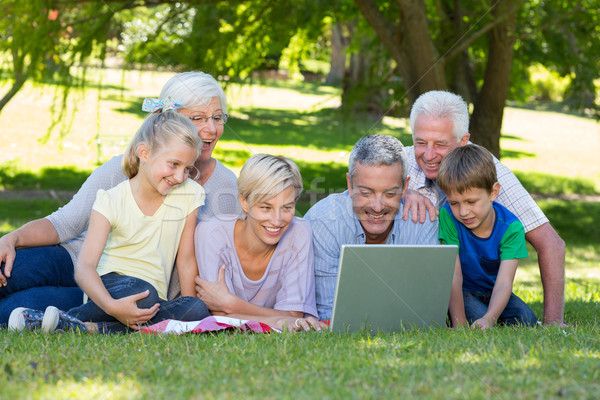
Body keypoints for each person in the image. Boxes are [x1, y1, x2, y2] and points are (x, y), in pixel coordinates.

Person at [0, 71, 241, 326]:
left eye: (217, 117)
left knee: (13, 309)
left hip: (138, 291)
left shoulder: (225, 186)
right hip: (79, 261)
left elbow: (232, 255)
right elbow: (65, 223)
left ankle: (76, 322)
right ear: (169, 119)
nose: (211, 129)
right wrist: (12, 238)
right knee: (12, 271)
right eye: (197, 118)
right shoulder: (124, 168)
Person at [9, 110, 211, 333]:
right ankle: (85, 317)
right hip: (112, 286)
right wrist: (112, 306)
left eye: (187, 168)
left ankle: (81, 326)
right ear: (144, 152)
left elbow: (186, 259)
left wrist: (188, 320)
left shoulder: (190, 194)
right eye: (174, 164)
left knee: (196, 309)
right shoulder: (111, 200)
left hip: (152, 298)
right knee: (144, 296)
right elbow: (85, 268)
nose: (180, 177)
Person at [404, 90, 566, 326]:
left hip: (472, 286)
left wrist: (553, 323)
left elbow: (551, 243)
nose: (428, 155)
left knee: (519, 319)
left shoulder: (486, 170)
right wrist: (399, 193)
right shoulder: (398, 164)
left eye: (440, 144)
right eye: (420, 142)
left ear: (463, 141)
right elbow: (358, 196)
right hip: (415, 287)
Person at [304, 135, 439, 321]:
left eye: (390, 193)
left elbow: (425, 310)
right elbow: (330, 314)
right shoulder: (324, 223)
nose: (377, 206)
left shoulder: (421, 219)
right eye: (366, 193)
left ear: (405, 187)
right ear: (350, 185)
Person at [195, 154, 325, 331]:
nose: (277, 220)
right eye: (266, 207)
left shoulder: (299, 232)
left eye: (287, 207)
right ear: (244, 202)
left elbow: (294, 316)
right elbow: (218, 317)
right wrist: (277, 320)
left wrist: (231, 303)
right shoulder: (212, 233)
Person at [436, 144, 537, 329]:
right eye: (454, 203)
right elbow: (454, 275)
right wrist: (459, 323)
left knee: (526, 319)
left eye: (471, 202)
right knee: (476, 316)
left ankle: (488, 319)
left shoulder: (511, 228)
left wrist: (490, 318)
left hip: (493, 290)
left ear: (493, 192)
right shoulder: (447, 216)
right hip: (463, 290)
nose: (463, 212)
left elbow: (505, 282)